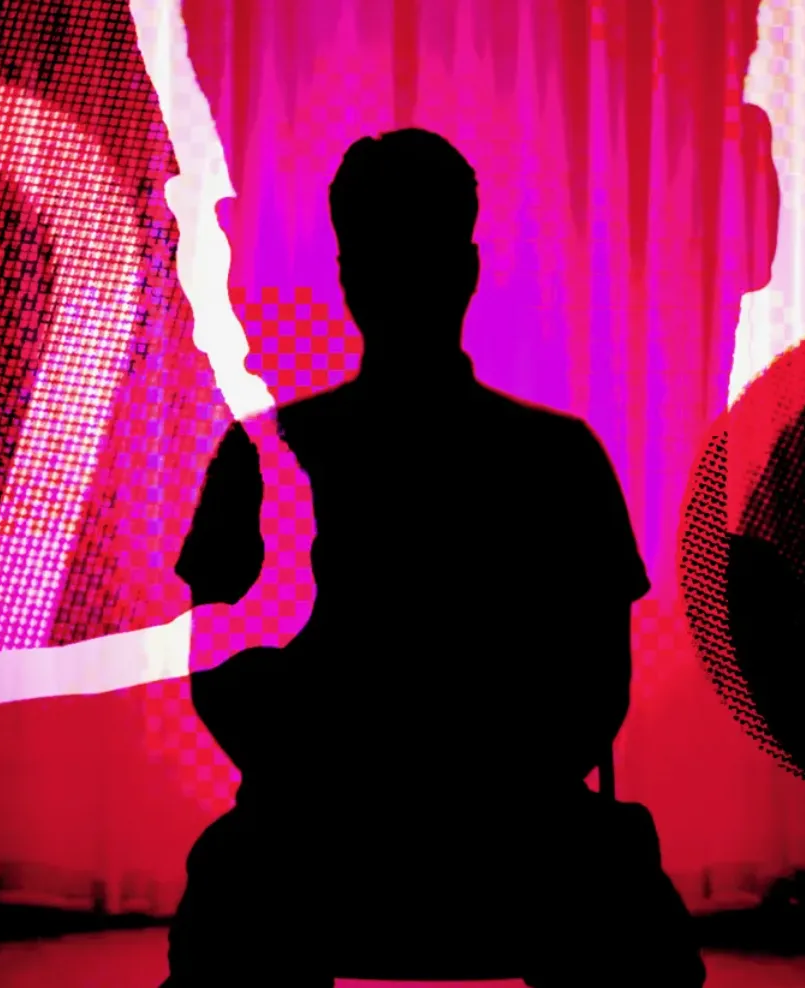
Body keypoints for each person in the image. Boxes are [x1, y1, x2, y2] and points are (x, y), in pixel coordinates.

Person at [161, 128, 707, 987]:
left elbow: (223, 683)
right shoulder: (560, 458)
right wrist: (493, 788)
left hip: (304, 853)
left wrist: (334, 787)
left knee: (233, 905)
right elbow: (596, 691)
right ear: (468, 271)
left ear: (348, 276)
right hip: (529, 851)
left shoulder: (261, 456)